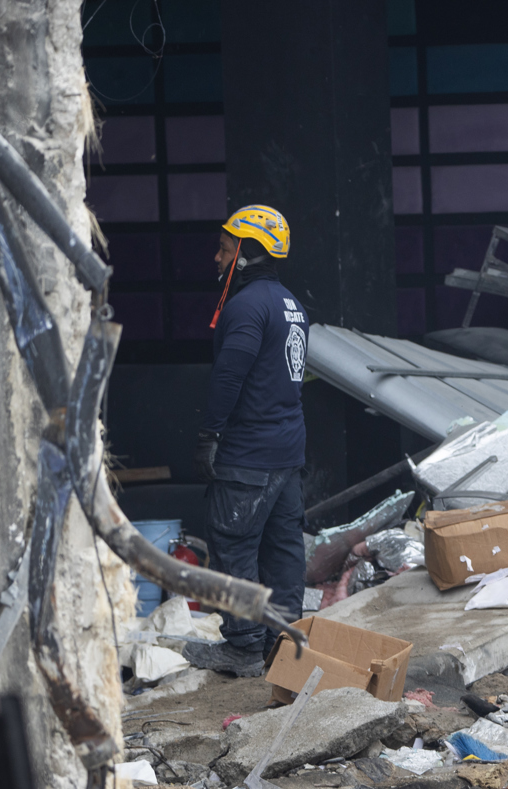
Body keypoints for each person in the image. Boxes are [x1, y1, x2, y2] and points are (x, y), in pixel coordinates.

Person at [182, 205, 309, 678]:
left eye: (225, 248)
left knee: (233, 546)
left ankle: (242, 648)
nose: (217, 257)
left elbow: (229, 377)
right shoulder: (292, 306)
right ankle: (286, 647)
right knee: (282, 550)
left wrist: (208, 435)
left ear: (248, 252)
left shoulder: (245, 306)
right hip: (287, 453)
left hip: (249, 455)